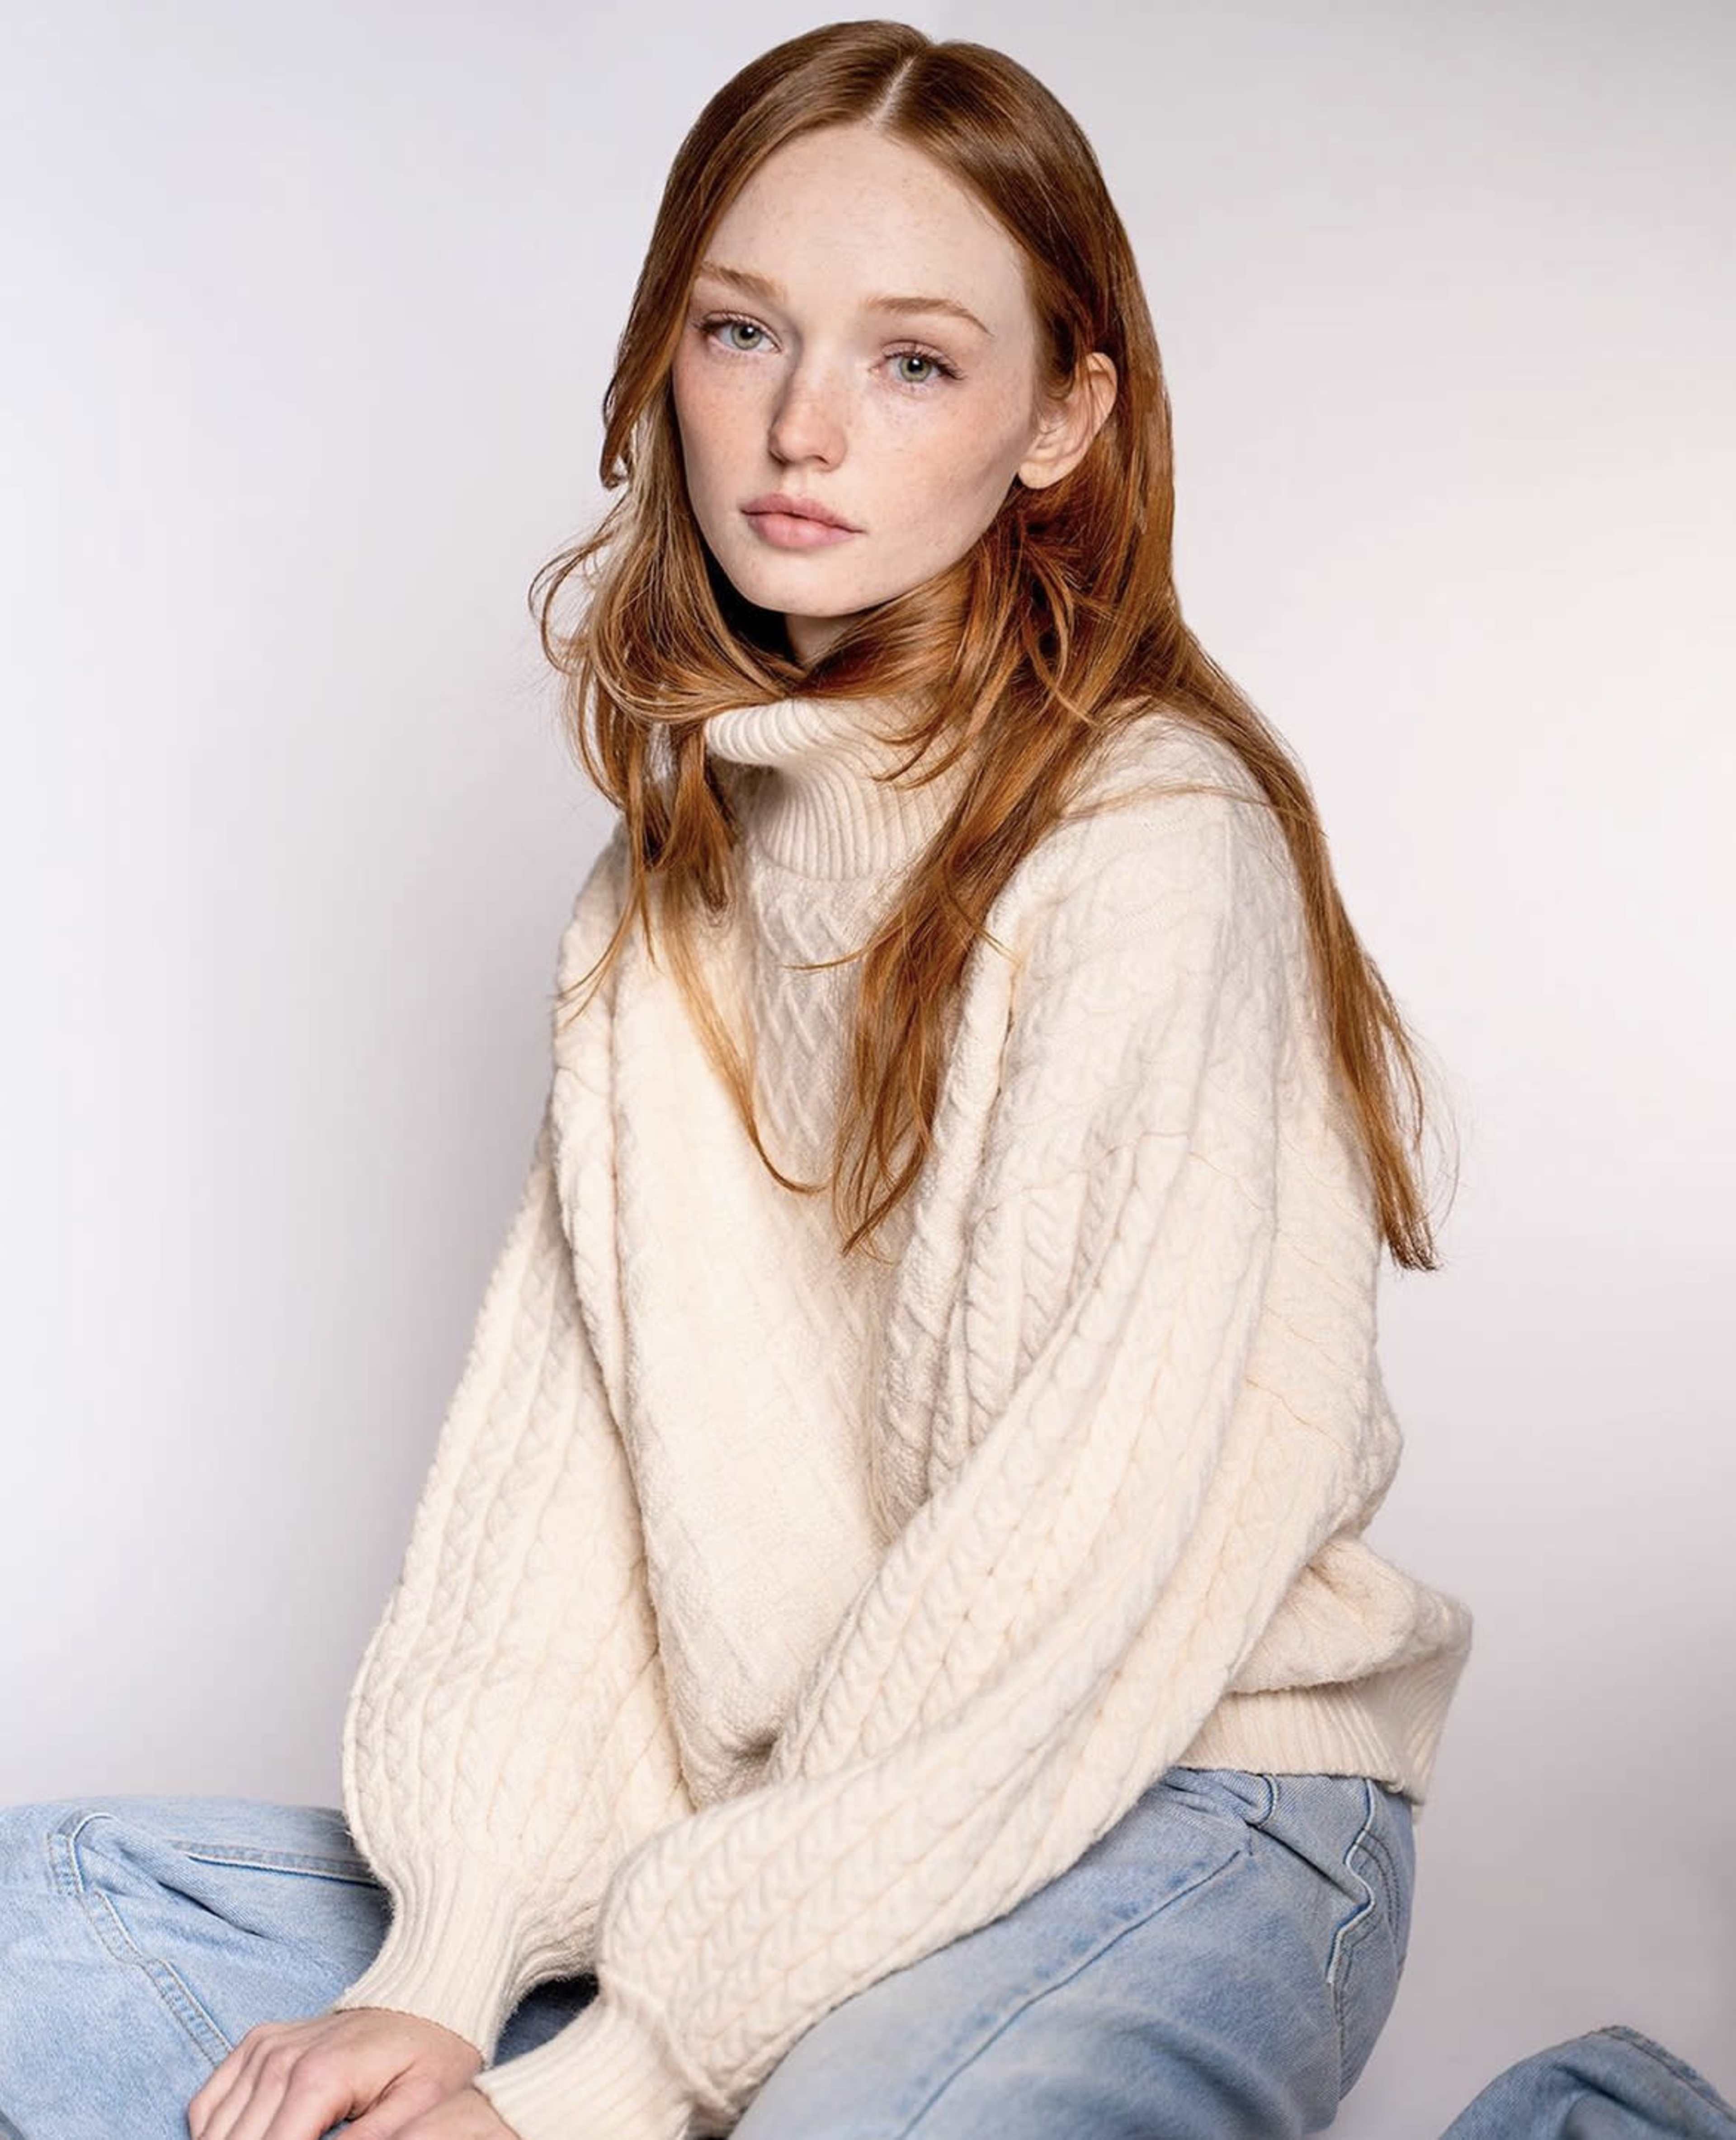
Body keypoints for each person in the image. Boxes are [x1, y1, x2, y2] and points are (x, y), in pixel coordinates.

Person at [4, 22, 1728, 2140]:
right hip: (784, 1832)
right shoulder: (656, 900)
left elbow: (1066, 1590)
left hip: (1184, 1802)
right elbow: (561, 1497)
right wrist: (443, 1984)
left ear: (1060, 419)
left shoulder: (1151, 851)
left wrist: (600, 2090)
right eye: (744, 330)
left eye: (914, 360)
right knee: (35, 1944)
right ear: (669, 351)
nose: (801, 425)